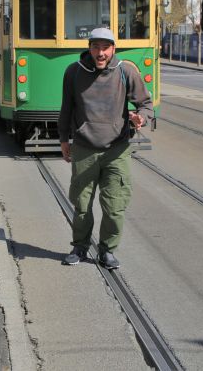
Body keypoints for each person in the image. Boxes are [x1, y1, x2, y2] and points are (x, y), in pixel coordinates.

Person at [58, 27, 153, 270]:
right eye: (96, 47)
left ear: (113, 49)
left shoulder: (126, 71)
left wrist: (140, 118)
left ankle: (107, 250)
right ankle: (79, 246)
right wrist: (64, 141)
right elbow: (66, 109)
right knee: (81, 205)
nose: (100, 53)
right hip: (84, 149)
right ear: (89, 48)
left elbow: (146, 104)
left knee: (114, 206)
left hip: (116, 150)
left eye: (105, 48)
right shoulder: (73, 72)